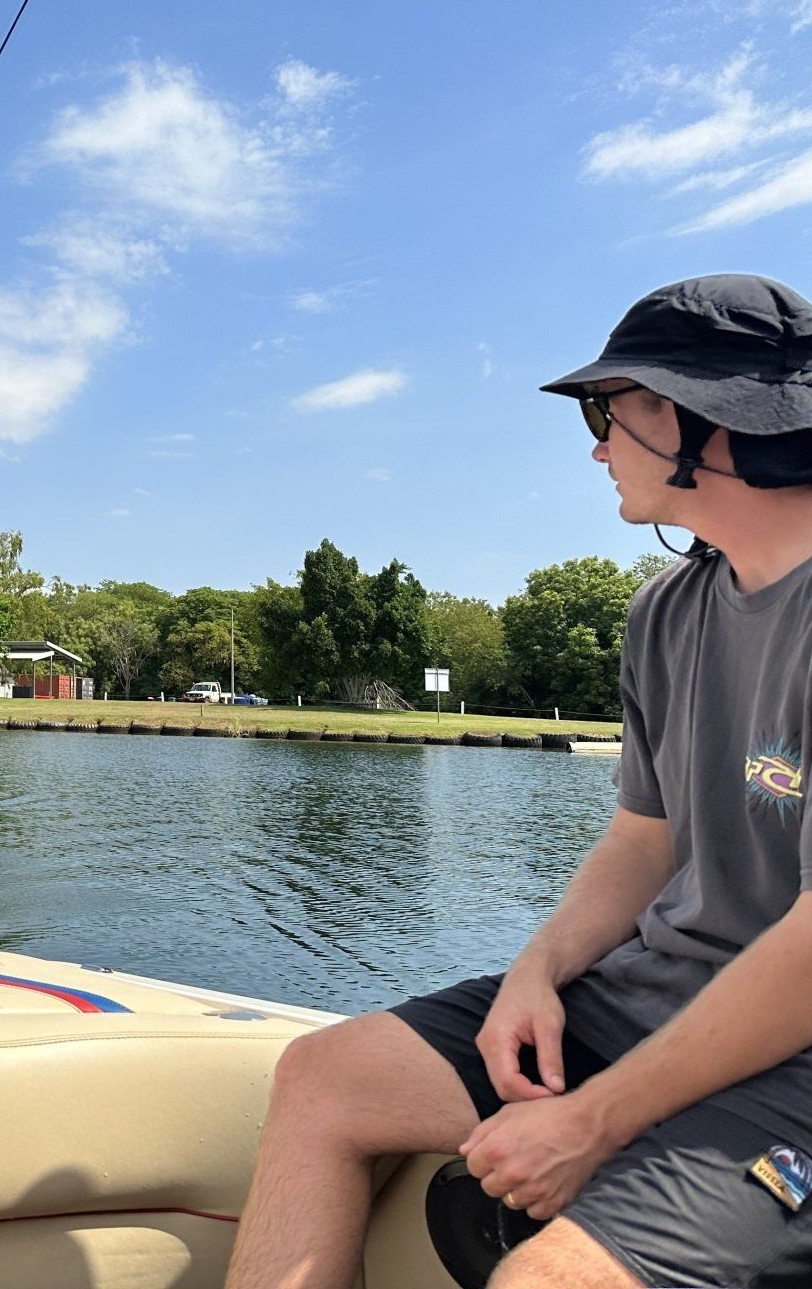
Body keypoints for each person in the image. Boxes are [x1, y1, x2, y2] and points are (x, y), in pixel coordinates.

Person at [224, 275, 812, 1289]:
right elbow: (642, 841)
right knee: (323, 1077)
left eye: (606, 413)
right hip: (648, 1002)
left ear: (694, 419)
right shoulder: (665, 613)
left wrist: (595, 1118)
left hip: (795, 1068)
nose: (596, 448)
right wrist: (536, 972)